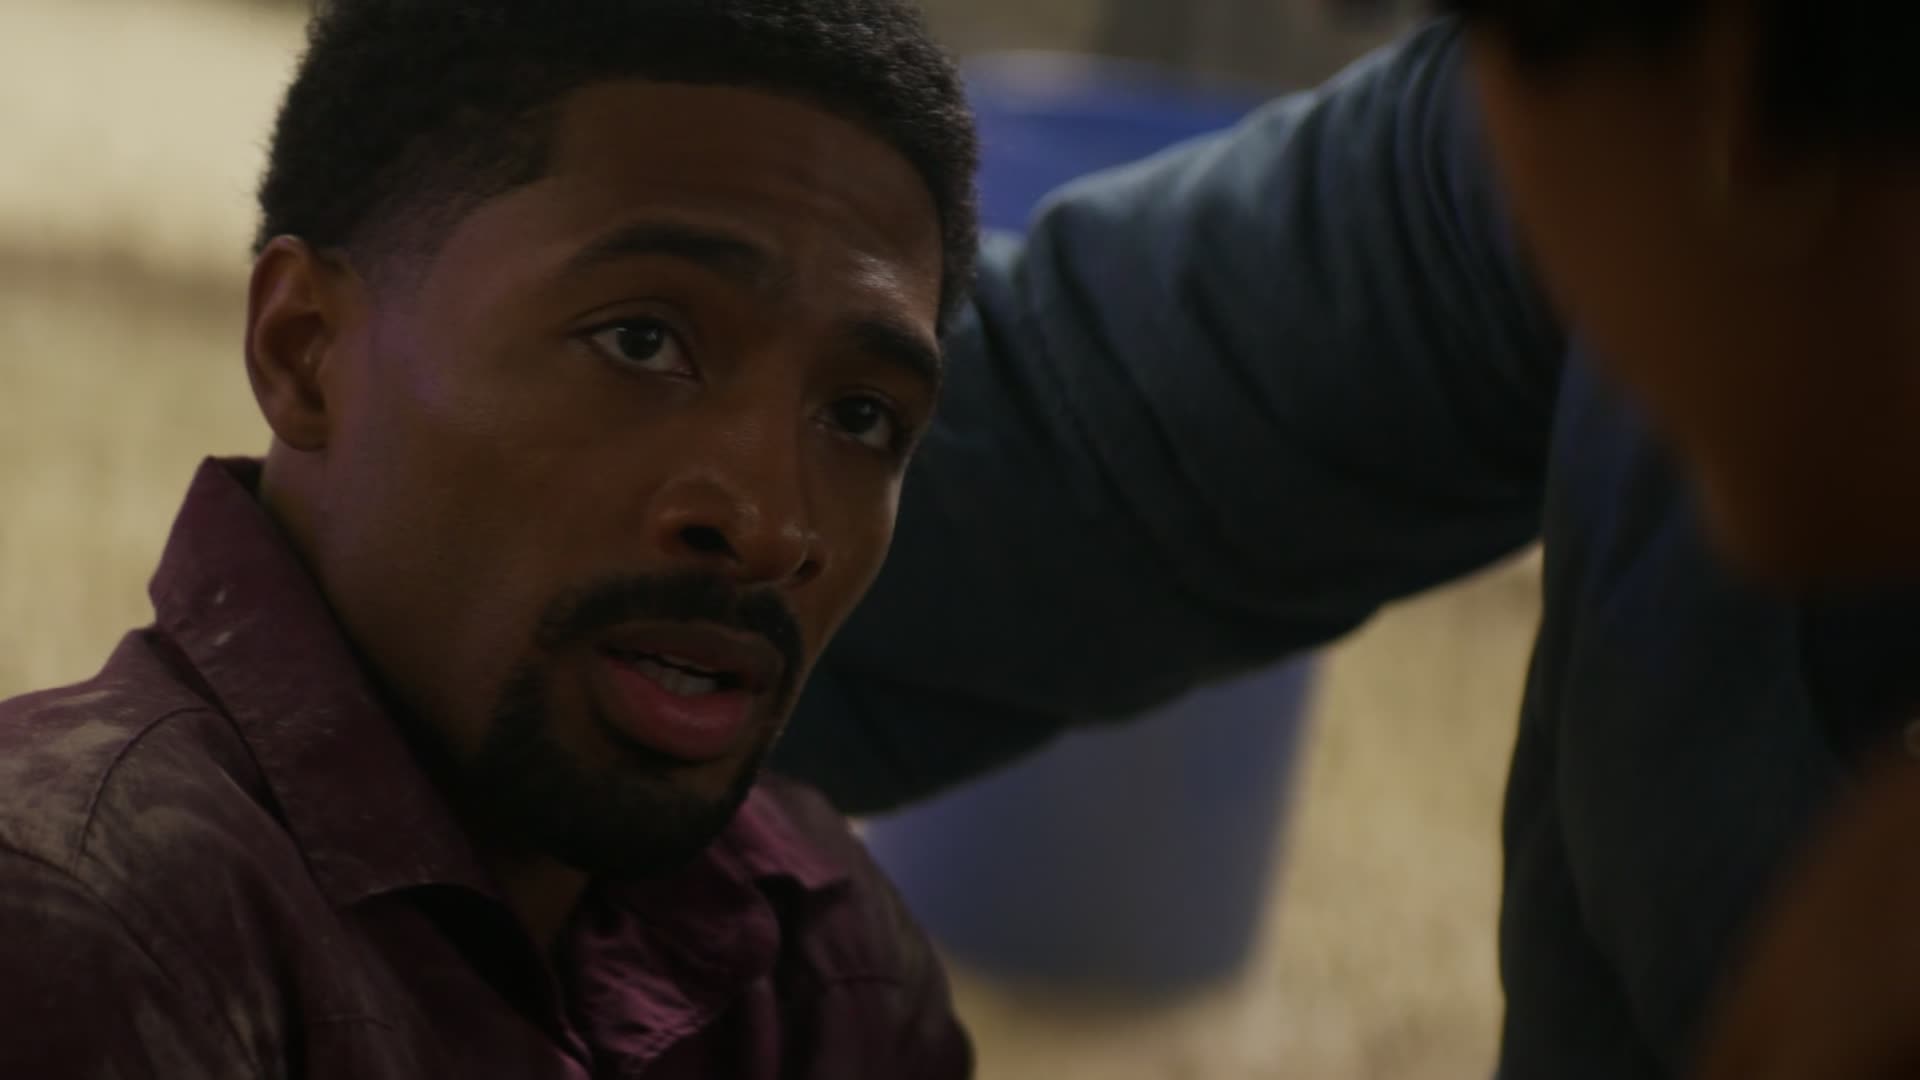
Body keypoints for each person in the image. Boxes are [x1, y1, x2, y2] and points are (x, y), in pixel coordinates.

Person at [770, 1, 1920, 1076]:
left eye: (1484, 42)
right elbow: (1074, 429)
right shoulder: (1573, 143)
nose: (1485, 110)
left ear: (1738, 102)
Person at [0, 1, 979, 1076]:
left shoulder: (815, 949)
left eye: (861, 417)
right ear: (304, 349)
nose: (771, 527)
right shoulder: (73, 924)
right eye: (640, 341)